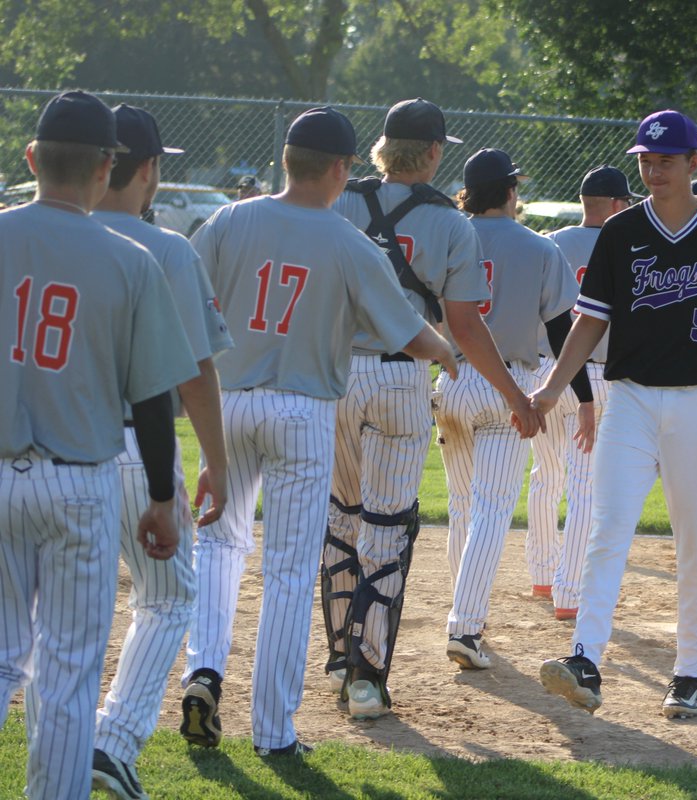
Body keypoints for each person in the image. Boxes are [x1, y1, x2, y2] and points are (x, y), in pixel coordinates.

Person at [181, 106, 455, 757]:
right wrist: (449, 354)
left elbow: (186, 305)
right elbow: (408, 334)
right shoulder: (348, 242)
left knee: (218, 545)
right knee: (287, 570)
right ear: (340, 168)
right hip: (302, 413)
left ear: (285, 160)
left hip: (228, 402)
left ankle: (204, 671)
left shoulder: (228, 220)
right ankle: (272, 731)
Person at [537, 109, 697, 719]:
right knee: (607, 528)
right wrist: (552, 387)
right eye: (645, 160)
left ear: (693, 162)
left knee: (696, 540)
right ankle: (585, 658)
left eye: (666, 160)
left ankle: (689, 671)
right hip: (631, 399)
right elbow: (590, 320)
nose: (654, 170)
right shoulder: (621, 231)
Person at [0, 90, 196, 800]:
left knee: (1, 656)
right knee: (67, 668)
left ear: (32, 158)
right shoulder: (131, 260)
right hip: (81, 481)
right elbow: (152, 398)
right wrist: (163, 498)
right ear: (107, 166)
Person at [322, 98, 531, 720]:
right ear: (435, 153)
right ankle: (367, 677)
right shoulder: (449, 223)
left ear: (382, 148)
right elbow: (463, 326)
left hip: (334, 374)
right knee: (387, 526)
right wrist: (514, 394)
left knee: (340, 520)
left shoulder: (340, 201)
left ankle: (338, 655)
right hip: (400, 375)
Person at [90, 103, 233, 800]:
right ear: (146, 170)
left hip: (37, 451)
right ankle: (113, 743)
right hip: (134, 449)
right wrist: (217, 461)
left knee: (33, 623)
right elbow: (195, 371)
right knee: (169, 596)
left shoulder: (36, 235)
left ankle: (68, 752)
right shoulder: (168, 249)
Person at [438, 147, 580, 671]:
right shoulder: (539, 246)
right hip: (508, 383)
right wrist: (582, 396)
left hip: (450, 379)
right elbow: (563, 330)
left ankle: (463, 612)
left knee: (461, 506)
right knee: (492, 511)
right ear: (510, 191)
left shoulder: (449, 236)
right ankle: (465, 626)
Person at [543, 165, 640, 619]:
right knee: (585, 487)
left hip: (552, 371)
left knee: (545, 476)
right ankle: (569, 593)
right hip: (601, 376)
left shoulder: (553, 242)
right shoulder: (629, 240)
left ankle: (542, 573)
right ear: (617, 204)